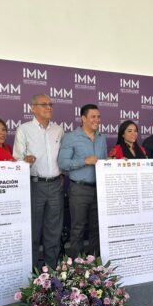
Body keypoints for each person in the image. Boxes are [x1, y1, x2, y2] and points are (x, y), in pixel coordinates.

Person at [13, 94, 64, 270]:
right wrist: (25, 161)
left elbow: (63, 158)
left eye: (50, 104)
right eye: (44, 104)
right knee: (33, 232)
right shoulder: (24, 129)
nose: (48, 107)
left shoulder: (58, 130)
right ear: (33, 108)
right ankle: (33, 274)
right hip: (34, 185)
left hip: (56, 185)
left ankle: (52, 273)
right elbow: (16, 159)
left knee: (54, 232)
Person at [58, 104, 107, 258]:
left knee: (96, 228)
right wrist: (84, 161)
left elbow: (103, 162)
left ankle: (95, 264)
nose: (97, 120)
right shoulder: (71, 137)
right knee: (77, 229)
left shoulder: (101, 137)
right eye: (93, 117)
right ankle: (77, 265)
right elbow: (62, 163)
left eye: (98, 117)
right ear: (83, 118)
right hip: (79, 189)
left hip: (99, 189)